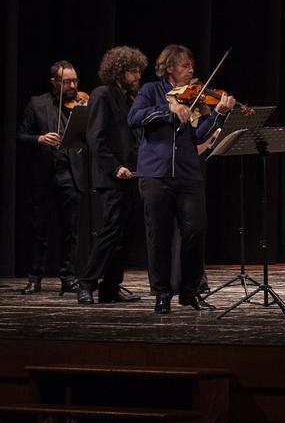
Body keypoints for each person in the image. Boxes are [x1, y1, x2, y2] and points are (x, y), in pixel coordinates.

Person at [127, 44, 234, 314]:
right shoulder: (152, 91)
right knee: (159, 236)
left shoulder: (195, 98)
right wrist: (168, 111)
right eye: (185, 66)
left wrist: (219, 114)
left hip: (188, 174)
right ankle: (162, 293)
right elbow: (134, 117)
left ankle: (190, 292)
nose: (191, 70)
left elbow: (198, 136)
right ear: (170, 67)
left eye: (191, 65)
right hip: (155, 173)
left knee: (195, 231)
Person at [78, 46, 148, 305]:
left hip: (132, 174)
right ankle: (86, 283)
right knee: (110, 231)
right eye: (133, 71)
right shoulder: (102, 94)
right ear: (119, 71)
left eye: (140, 70)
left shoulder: (130, 98)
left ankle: (110, 287)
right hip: (111, 176)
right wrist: (114, 166)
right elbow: (95, 136)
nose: (138, 75)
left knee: (124, 235)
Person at [16, 60, 88, 294]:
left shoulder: (81, 104)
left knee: (70, 231)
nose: (73, 85)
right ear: (54, 82)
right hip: (44, 175)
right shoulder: (37, 104)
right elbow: (20, 136)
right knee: (40, 229)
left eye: (75, 80)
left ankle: (68, 277)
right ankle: (35, 277)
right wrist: (39, 139)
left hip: (70, 173)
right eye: (67, 81)